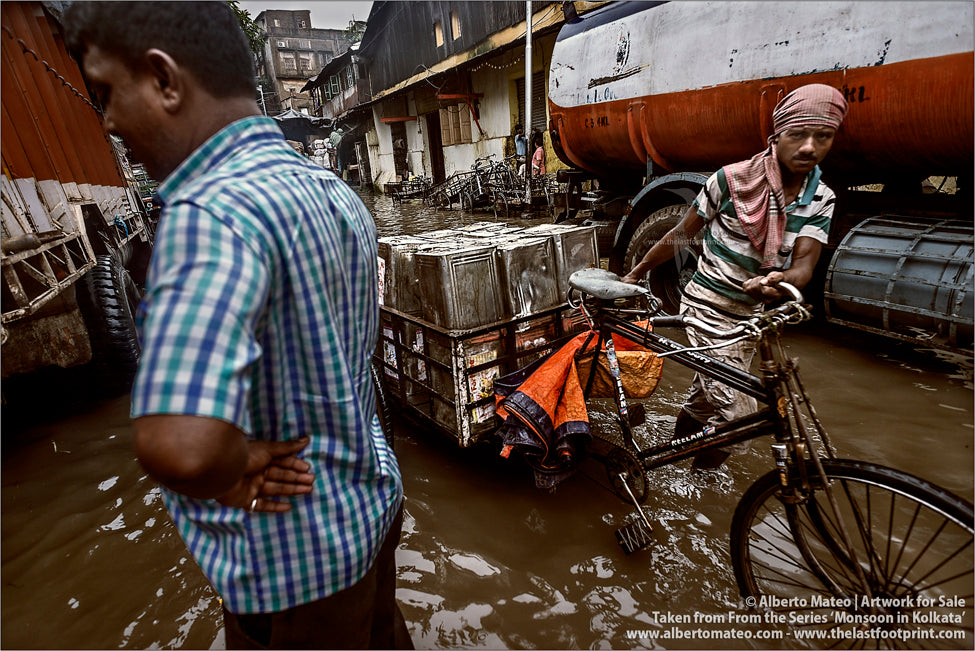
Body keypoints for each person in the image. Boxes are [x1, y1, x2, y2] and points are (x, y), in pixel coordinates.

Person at [64, 3, 411, 649]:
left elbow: (180, 447)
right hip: (370, 507)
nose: (108, 122)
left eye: (108, 93)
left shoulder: (209, 214)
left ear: (165, 80)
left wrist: (235, 466)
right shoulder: (332, 189)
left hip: (295, 561)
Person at [622, 84, 848, 469]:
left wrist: (781, 280)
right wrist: (637, 273)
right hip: (707, 307)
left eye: (822, 137)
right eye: (798, 135)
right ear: (776, 136)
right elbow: (681, 234)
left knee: (706, 398)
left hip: (753, 318)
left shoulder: (821, 198)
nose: (809, 147)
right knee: (740, 415)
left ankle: (675, 467)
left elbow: (806, 264)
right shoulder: (728, 180)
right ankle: (694, 477)